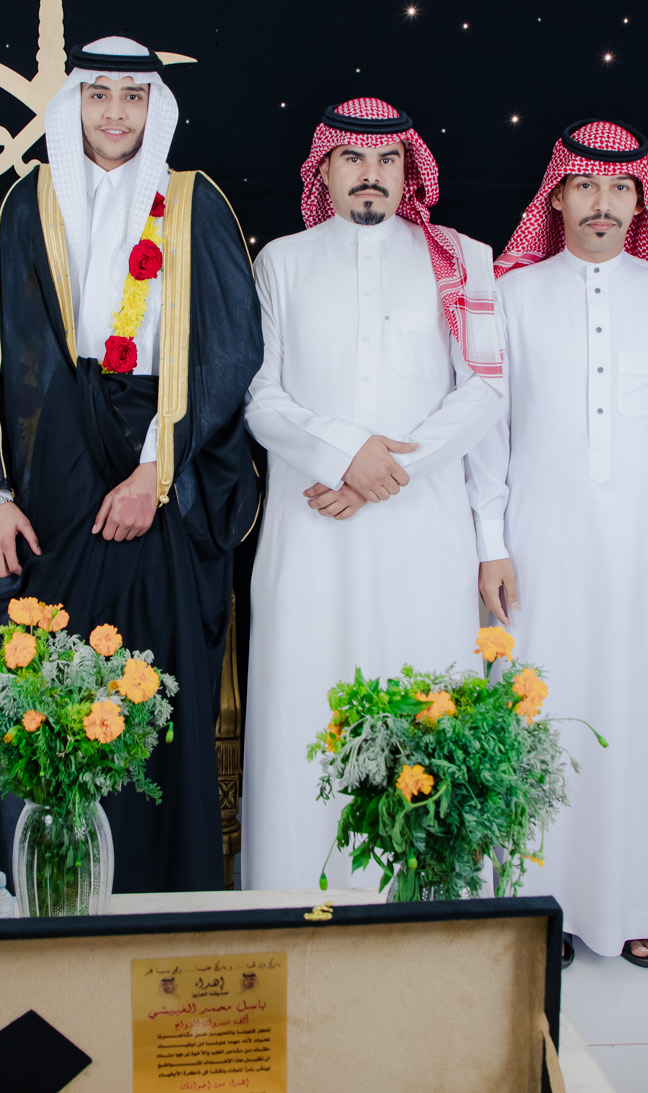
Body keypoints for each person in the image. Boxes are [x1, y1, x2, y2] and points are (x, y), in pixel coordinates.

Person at [0, 37, 261, 893]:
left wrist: (155, 472)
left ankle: (151, 898)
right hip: (49, 480)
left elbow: (229, 351)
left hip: (161, 462)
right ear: (75, 101)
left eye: (133, 95)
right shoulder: (28, 202)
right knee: (39, 680)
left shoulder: (193, 202)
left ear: (155, 104)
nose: (115, 112)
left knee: (148, 687)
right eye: (99, 94)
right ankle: (39, 893)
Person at [241, 97, 507, 892]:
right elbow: (259, 395)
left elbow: (486, 389)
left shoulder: (461, 257)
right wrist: (342, 453)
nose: (371, 174)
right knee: (306, 708)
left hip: (422, 534)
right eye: (353, 158)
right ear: (323, 169)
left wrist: (385, 470)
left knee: (424, 703)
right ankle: (296, 897)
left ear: (408, 170)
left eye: (388, 159)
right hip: (310, 531)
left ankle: (423, 906)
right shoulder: (281, 261)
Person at [475, 120, 648, 967]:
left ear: (640, 201)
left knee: (644, 721)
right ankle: (539, 901)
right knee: (540, 718)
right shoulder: (513, 294)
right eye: (585, 186)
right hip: (541, 549)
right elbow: (489, 434)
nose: (601, 203)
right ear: (558, 197)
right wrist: (491, 542)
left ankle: (641, 902)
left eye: (619, 188)